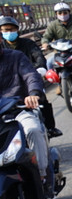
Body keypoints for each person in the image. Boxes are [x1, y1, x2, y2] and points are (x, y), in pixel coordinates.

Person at [1, 16, 62, 138]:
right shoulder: (3, 45)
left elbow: (38, 56)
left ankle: (50, 127)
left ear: (17, 30)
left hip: (28, 80)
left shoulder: (25, 46)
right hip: (4, 104)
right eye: (5, 30)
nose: (9, 32)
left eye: (11, 29)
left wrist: (38, 72)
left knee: (40, 100)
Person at [0, 42, 51, 178]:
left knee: (33, 130)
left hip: (19, 110)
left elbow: (31, 76)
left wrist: (33, 94)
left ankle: (41, 175)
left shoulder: (16, 57)